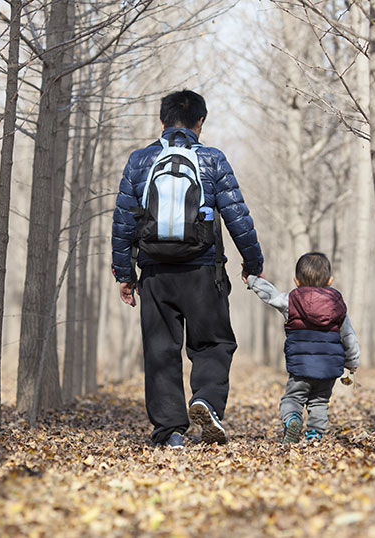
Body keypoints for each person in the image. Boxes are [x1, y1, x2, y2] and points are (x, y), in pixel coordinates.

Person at [111, 90, 264, 448]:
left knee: (160, 350)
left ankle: (170, 432)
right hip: (203, 270)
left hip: (154, 274)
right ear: (200, 122)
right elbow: (237, 215)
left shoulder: (139, 160)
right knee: (213, 343)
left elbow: (122, 222)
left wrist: (124, 274)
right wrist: (252, 261)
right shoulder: (213, 160)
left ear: (161, 121)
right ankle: (206, 401)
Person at [245, 252, 360, 443]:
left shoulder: (291, 301)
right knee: (320, 401)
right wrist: (352, 362)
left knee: (292, 399)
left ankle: (292, 419)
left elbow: (270, 295)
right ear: (330, 280)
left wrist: (252, 279)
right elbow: (349, 337)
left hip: (301, 367)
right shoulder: (337, 306)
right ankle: (314, 435)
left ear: (296, 281)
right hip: (328, 369)